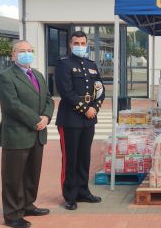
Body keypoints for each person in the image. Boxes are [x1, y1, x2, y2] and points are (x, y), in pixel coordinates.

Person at [0, 40, 54, 228]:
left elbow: (48, 99)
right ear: (13, 55)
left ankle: (28, 204)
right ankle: (12, 214)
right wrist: (36, 120)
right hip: (17, 133)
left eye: (30, 50)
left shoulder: (37, 75)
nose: (27, 54)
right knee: (13, 176)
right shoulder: (6, 76)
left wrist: (46, 116)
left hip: (38, 133)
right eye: (22, 51)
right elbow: (11, 105)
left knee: (32, 173)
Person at [55, 31, 105, 210]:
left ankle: (83, 191)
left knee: (84, 157)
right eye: (77, 43)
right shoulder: (63, 64)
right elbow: (66, 92)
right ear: (70, 44)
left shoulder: (91, 65)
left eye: (83, 43)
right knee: (70, 159)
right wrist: (86, 109)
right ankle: (69, 195)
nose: (80, 46)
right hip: (70, 119)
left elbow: (99, 89)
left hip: (88, 120)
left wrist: (95, 108)